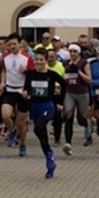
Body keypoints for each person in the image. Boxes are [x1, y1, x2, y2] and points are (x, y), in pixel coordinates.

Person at [22, 48, 66, 179]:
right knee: (41, 134)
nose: (38, 62)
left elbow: (64, 84)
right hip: (34, 106)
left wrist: (60, 102)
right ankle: (49, 159)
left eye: (41, 60)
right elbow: (27, 88)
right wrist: (26, 93)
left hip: (47, 105)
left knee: (38, 128)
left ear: (46, 61)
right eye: (36, 60)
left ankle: (49, 154)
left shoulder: (52, 75)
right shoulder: (30, 74)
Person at [0, 32, 34, 155]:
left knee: (21, 123)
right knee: (5, 115)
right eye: (10, 44)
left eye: (14, 44)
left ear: (20, 44)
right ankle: (12, 132)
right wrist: (2, 84)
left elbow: (33, 76)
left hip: (22, 91)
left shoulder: (27, 58)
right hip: (10, 90)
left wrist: (26, 72)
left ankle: (22, 144)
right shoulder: (5, 57)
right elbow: (4, 72)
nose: (12, 46)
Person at [61, 43, 91, 155]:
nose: (72, 53)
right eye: (71, 51)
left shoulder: (84, 63)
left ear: (79, 53)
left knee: (81, 119)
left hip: (82, 94)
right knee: (68, 116)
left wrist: (78, 71)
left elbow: (89, 79)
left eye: (75, 51)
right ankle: (68, 144)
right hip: (69, 93)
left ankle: (88, 126)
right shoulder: (65, 64)